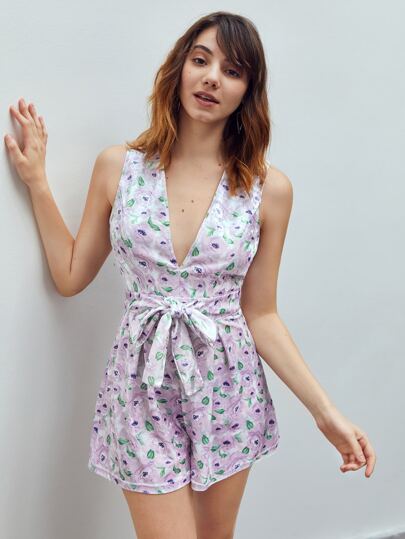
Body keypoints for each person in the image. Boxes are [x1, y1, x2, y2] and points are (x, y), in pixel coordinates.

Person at [4, 10, 376, 539]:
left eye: (232, 70)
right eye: (201, 60)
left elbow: (261, 314)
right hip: (141, 387)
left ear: (248, 92)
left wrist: (326, 413)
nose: (211, 78)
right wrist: (38, 183)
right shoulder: (118, 167)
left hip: (228, 387)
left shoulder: (268, 191)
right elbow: (69, 276)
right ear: (179, 69)